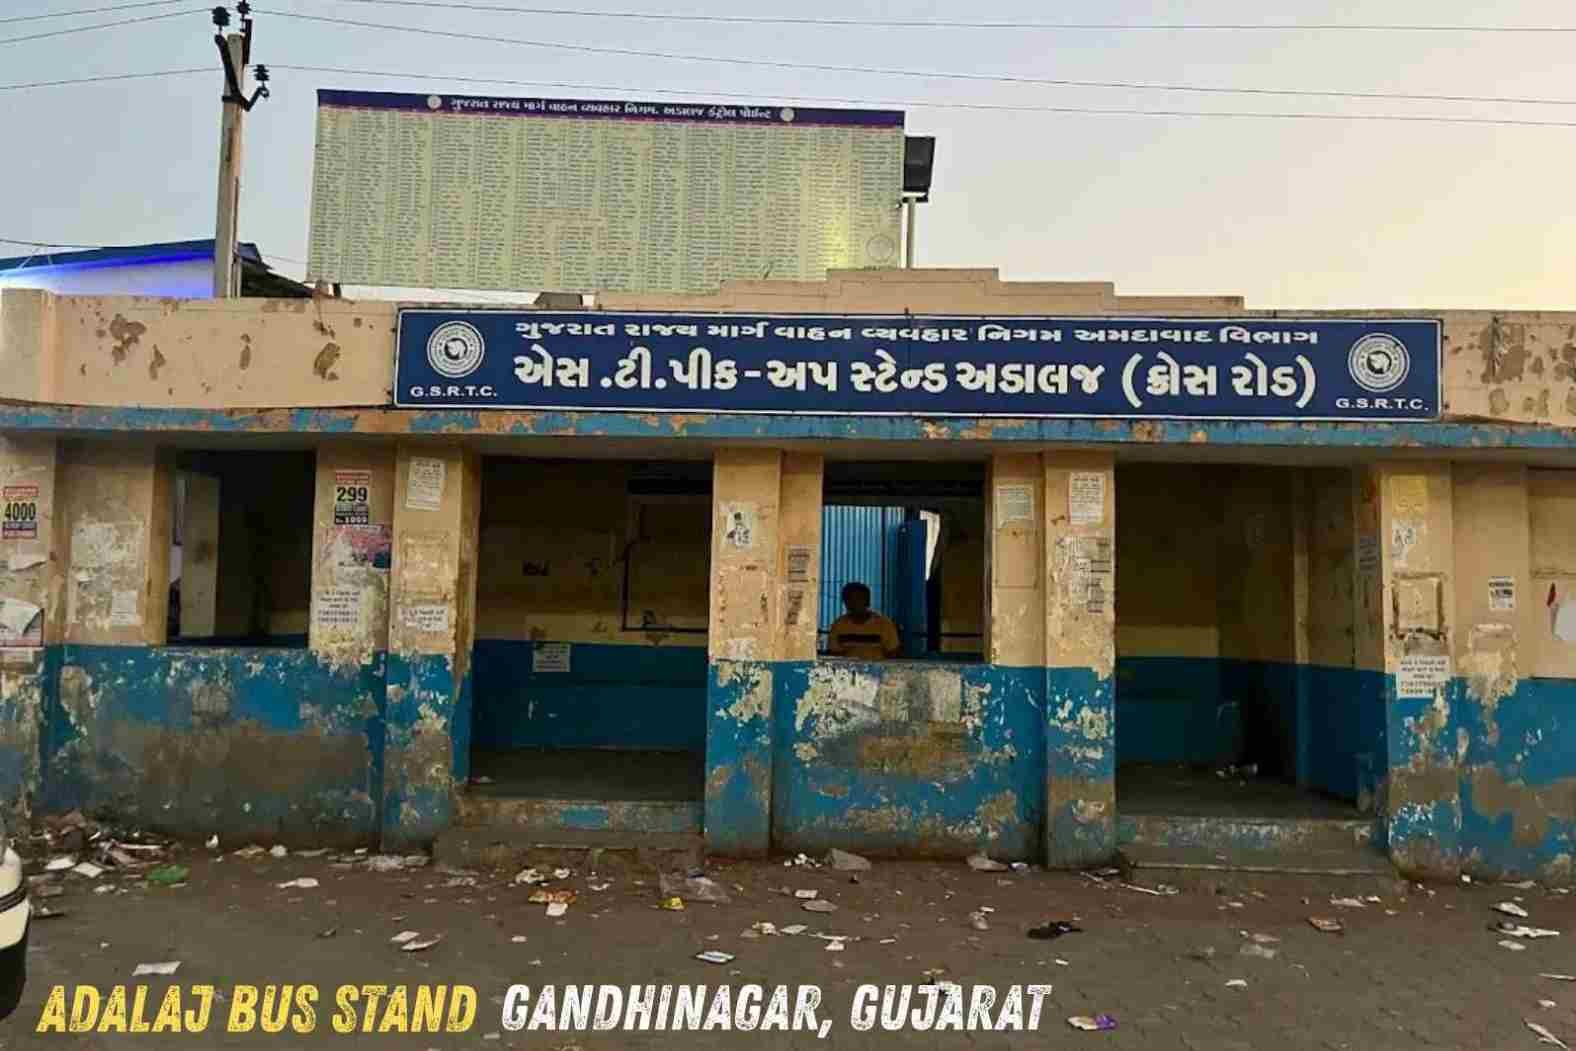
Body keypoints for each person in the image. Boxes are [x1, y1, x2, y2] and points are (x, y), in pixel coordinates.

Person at [826, 581, 900, 660]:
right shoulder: (839, 625)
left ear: (867, 601)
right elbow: (834, 655)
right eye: (850, 599)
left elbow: (893, 653)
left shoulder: (884, 624)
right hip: (847, 671)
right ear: (846, 603)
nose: (855, 603)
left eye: (859, 599)